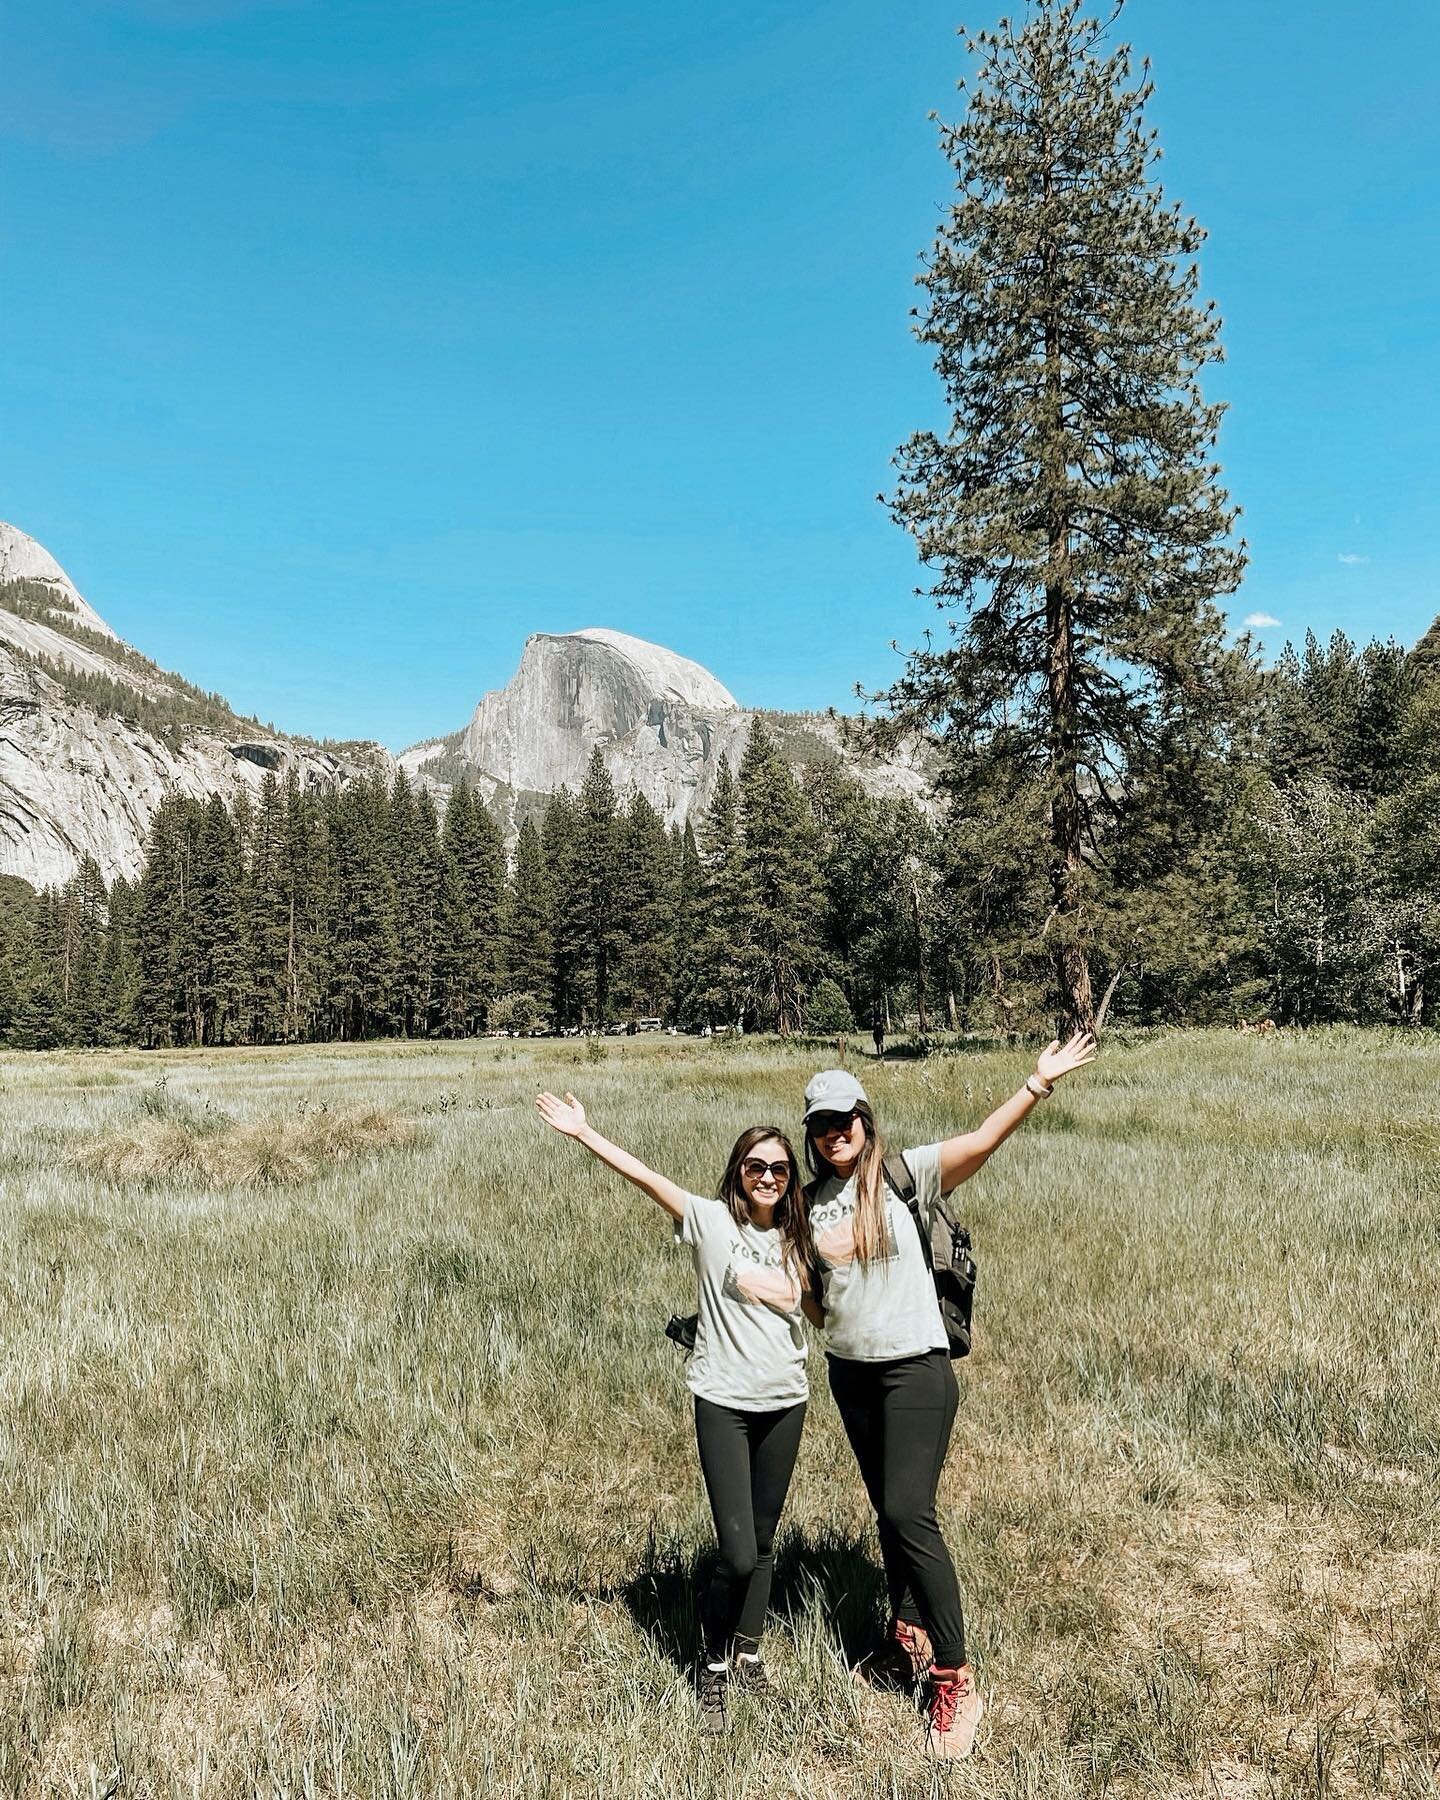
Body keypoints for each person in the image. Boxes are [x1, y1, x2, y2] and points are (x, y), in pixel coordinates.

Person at [802, 1030, 1097, 1759]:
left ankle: (954, 1676)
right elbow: (810, 1298)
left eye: (846, 1119)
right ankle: (905, 1634)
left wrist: (1037, 1083)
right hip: (850, 1372)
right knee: (887, 1513)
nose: (836, 1132)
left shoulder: (906, 1177)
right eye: (821, 1124)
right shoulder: (805, 1204)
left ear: (866, 1122)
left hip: (915, 1370)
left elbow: (982, 1140)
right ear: (810, 1135)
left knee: (909, 1512)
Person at [535, 1090, 816, 1735]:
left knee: (766, 1543)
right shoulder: (711, 1221)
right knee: (739, 1552)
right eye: (755, 1167)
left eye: (778, 1168)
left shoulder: (801, 1235)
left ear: (790, 1178)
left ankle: (747, 1654)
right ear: (737, 1174)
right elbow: (641, 1174)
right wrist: (584, 1132)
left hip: (786, 1399)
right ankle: (713, 1661)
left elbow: (811, 1295)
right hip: (722, 1397)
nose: (768, 1176)